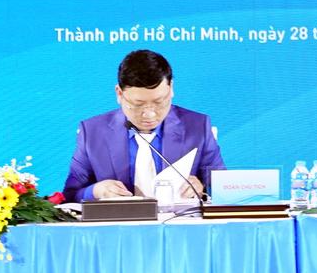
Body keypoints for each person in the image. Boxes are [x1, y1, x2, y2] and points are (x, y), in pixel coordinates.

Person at [63, 49, 225, 202]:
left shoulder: (198, 126)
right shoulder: (92, 132)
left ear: (171, 89)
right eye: (138, 104)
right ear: (119, 94)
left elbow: (223, 190)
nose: (149, 114)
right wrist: (96, 191)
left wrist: (201, 188)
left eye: (159, 102)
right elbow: (70, 195)